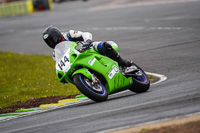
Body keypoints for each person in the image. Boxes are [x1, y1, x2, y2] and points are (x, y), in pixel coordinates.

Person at [42, 25, 133, 67]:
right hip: (78, 61)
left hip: (88, 48)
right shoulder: (55, 54)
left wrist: (87, 41)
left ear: (56, 34)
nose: (52, 42)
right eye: (49, 42)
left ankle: (122, 62)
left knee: (105, 46)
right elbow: (59, 65)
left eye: (52, 39)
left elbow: (85, 34)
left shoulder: (69, 35)